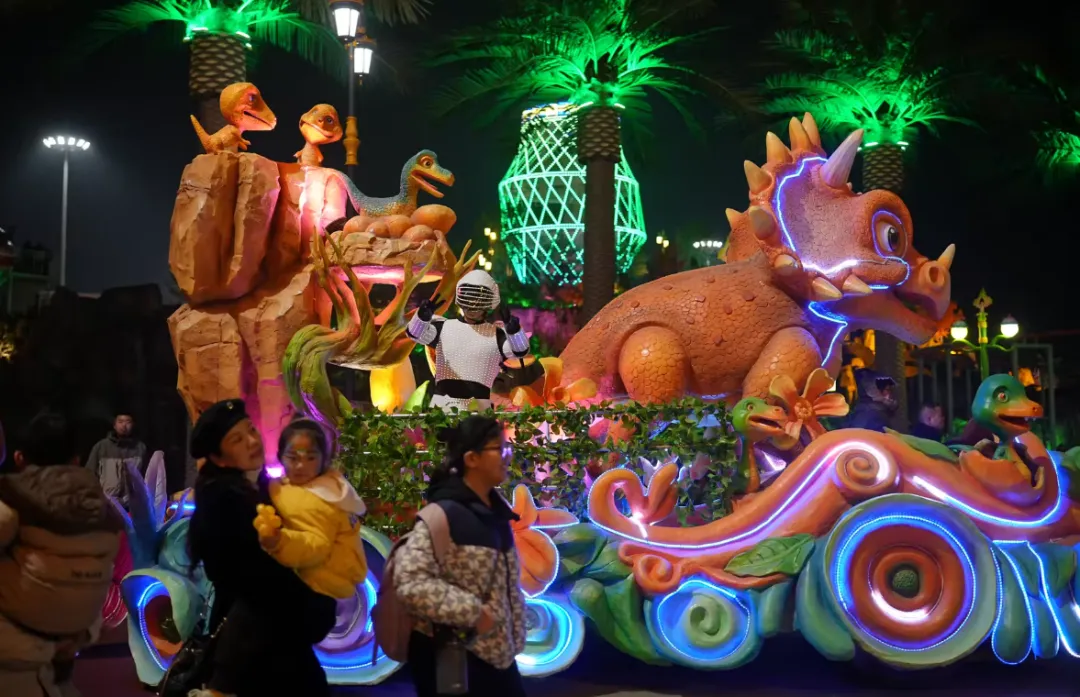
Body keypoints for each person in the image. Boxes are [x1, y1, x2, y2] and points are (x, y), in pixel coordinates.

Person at [186, 400, 336, 697]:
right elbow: (259, 579)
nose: (252, 442)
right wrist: (314, 604)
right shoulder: (223, 504)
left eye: (251, 430)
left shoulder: (263, 487)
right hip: (252, 644)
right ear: (219, 458)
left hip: (277, 635)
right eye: (237, 439)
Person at [393, 415, 527, 697]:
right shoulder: (442, 515)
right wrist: (474, 613)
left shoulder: (496, 513)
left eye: (508, 448)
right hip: (455, 659)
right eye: (499, 449)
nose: (507, 456)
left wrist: (514, 635)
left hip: (498, 657)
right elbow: (410, 582)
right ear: (472, 459)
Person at [0, 410, 124, 697]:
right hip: (80, 624)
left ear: (19, 458)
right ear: (76, 460)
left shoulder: (16, 494)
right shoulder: (100, 503)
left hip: (23, 630)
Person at [252, 418, 368, 599]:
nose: (301, 465)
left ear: (324, 459)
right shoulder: (328, 485)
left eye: (311, 458)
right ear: (280, 456)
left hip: (320, 586)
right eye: (293, 457)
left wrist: (280, 541)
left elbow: (317, 545)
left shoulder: (316, 500)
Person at [406, 270, 530, 412]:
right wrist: (421, 317)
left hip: (478, 411)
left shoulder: (496, 334)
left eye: (478, 299)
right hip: (443, 408)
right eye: (469, 297)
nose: (473, 304)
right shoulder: (444, 327)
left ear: (488, 302)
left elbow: (520, 350)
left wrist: (514, 331)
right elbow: (415, 334)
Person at [86, 411, 146, 506]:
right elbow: (89, 474)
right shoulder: (101, 447)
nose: (124, 425)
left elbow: (146, 475)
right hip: (107, 502)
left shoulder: (140, 448)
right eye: (120, 422)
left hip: (133, 504)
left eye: (128, 422)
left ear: (133, 425)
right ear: (114, 425)